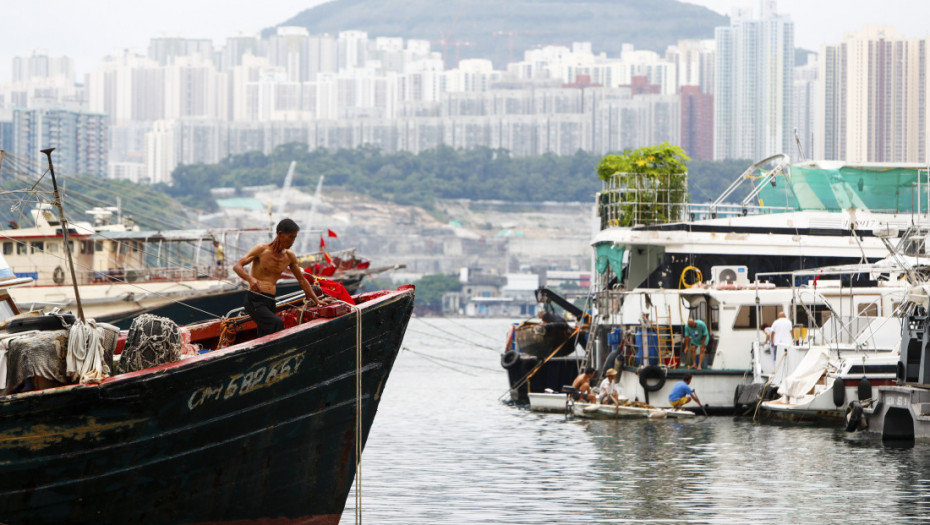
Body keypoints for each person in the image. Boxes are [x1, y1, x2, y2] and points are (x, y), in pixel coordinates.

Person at [233, 218, 325, 337]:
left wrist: (317, 300)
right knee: (276, 323)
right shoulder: (262, 249)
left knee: (265, 335)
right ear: (280, 234)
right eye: (290, 237)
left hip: (271, 300)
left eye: (295, 238)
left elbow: (302, 280)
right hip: (255, 300)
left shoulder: (290, 256)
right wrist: (250, 279)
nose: (292, 241)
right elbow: (237, 266)